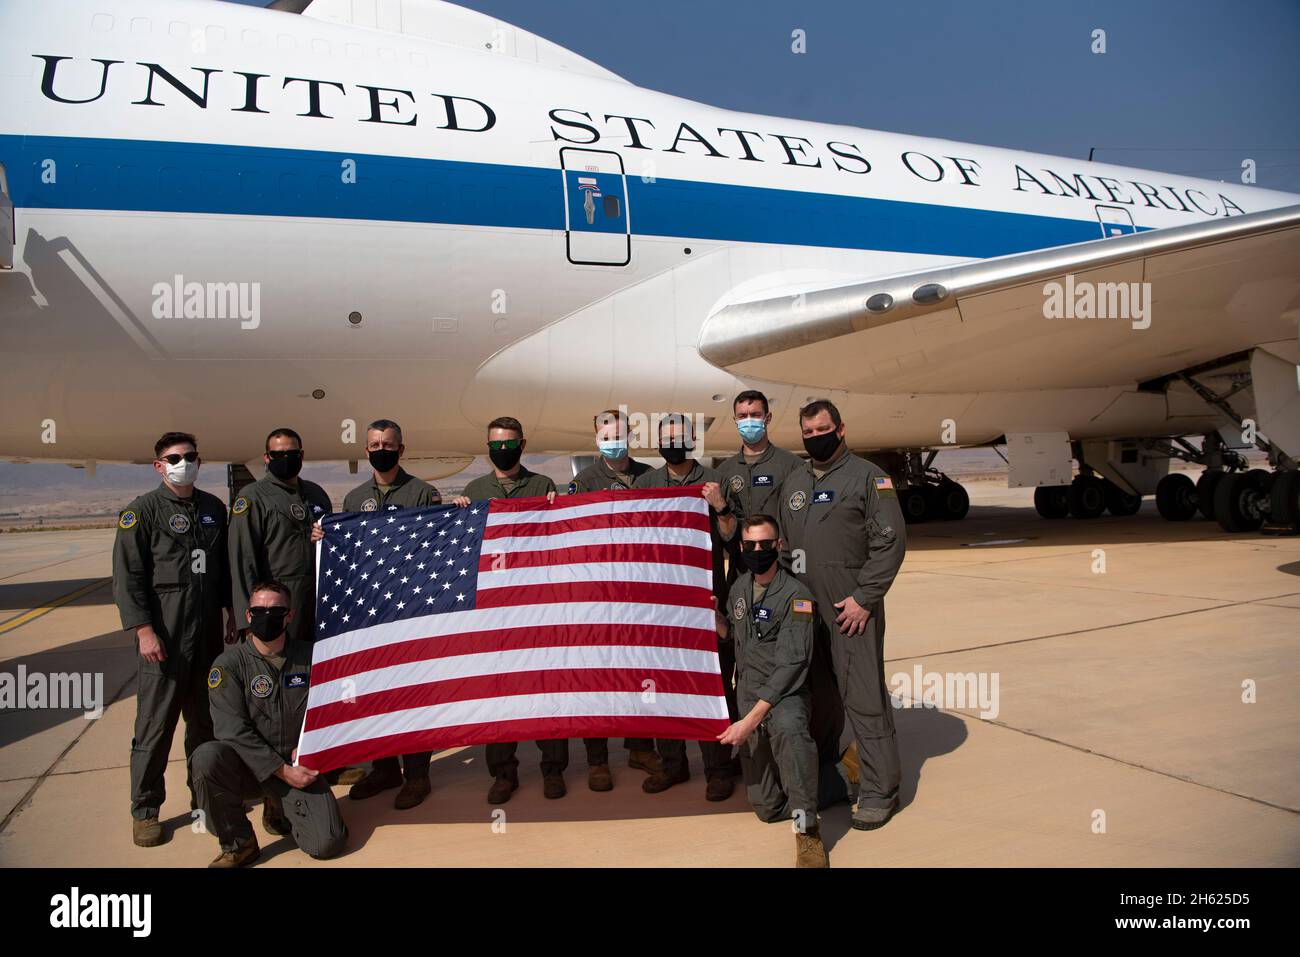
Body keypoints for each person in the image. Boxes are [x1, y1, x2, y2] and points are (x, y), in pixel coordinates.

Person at [778, 399, 907, 830]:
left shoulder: (869, 478)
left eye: (823, 429)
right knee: (821, 705)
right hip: (806, 614)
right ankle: (831, 782)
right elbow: (782, 547)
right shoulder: (796, 480)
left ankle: (880, 790)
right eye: (808, 432)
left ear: (841, 428)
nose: (816, 437)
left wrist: (864, 598)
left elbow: (889, 543)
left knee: (865, 701)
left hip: (850, 611)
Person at [113, 431, 235, 848]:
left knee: (206, 726)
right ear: (159, 465)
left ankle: (205, 800)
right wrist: (144, 630)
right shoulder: (141, 513)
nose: (183, 462)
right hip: (163, 639)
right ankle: (145, 810)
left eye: (189, 456)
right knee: (154, 729)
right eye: (174, 457)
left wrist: (231, 613)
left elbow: (221, 571)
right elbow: (127, 578)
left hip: (207, 637)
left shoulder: (213, 509)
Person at [191, 580, 347, 867]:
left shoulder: (311, 657)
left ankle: (278, 805)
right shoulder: (228, 665)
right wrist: (281, 771)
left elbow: (334, 711)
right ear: (248, 616)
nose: (267, 616)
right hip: (250, 769)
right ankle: (240, 843)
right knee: (206, 757)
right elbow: (231, 731)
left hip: (298, 765)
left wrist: (314, 750)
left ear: (289, 615)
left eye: (276, 610)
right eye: (259, 610)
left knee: (327, 844)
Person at [452, 416, 566, 803]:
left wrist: (558, 508)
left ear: (522, 444)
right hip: (496, 609)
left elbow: (556, 538)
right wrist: (458, 515)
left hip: (537, 605)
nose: (502, 450)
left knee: (547, 685)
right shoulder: (475, 489)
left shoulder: (542, 485)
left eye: (509, 443)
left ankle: (553, 769)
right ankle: (503, 773)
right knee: (498, 691)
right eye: (495, 445)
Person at [633, 413, 740, 800]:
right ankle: (673, 765)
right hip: (659, 605)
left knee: (709, 684)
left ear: (692, 440)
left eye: (680, 437)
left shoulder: (714, 480)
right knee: (663, 686)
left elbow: (732, 541)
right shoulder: (646, 484)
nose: (673, 443)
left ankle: (718, 768)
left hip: (705, 599)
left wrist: (721, 506)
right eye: (667, 438)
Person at [341, 419, 442, 810]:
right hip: (369, 614)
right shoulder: (353, 499)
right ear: (365, 450)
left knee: (413, 695)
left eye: (387, 444)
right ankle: (384, 769)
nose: (380, 449)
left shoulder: (423, 493)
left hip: (410, 611)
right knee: (377, 694)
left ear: (401, 449)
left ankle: (417, 775)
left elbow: (437, 551)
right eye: (373, 444)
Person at [717, 514, 827, 867]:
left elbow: (792, 666)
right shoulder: (738, 589)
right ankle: (834, 780)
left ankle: (807, 831)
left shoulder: (797, 597)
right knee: (765, 808)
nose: (758, 551)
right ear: (741, 547)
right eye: (750, 545)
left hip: (784, 697)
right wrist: (718, 623)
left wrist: (749, 721)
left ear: (779, 546)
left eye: (766, 544)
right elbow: (737, 639)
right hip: (748, 692)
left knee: (791, 736)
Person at [566, 409, 661, 790]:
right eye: (605, 435)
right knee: (599, 673)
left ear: (630, 435)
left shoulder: (650, 478)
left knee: (639, 668)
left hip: (638, 588)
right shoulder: (584, 481)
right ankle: (597, 759)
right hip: (598, 592)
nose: (613, 440)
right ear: (596, 439)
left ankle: (640, 746)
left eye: (619, 433)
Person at [228, 427, 332, 645]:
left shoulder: (316, 494)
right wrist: (247, 621)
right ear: (267, 457)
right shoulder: (252, 497)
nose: (285, 459)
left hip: (317, 600)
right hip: (275, 603)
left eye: (291, 454)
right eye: (277, 454)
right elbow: (242, 561)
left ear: (301, 456)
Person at [717, 390, 803, 586]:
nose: (748, 421)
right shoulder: (724, 472)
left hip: (782, 569)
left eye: (755, 415)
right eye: (742, 416)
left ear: (768, 417)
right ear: (735, 420)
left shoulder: (792, 466)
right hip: (741, 572)